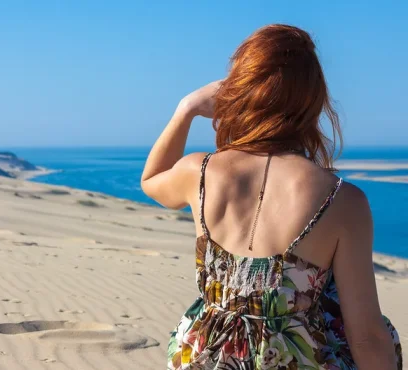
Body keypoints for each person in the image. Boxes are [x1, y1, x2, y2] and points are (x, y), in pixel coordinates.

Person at [141, 24, 402, 370]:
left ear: (238, 90)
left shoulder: (199, 173)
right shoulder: (342, 201)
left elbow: (152, 179)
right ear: (313, 102)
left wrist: (186, 108)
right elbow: (366, 336)